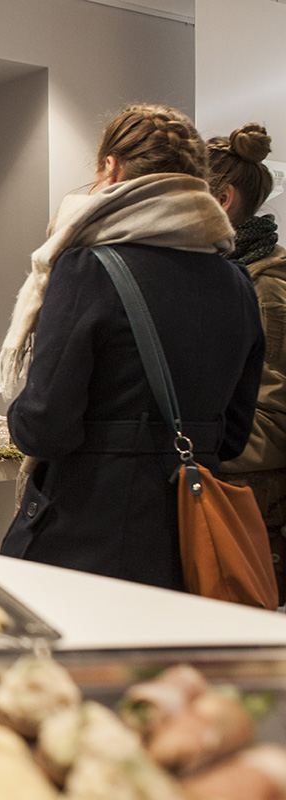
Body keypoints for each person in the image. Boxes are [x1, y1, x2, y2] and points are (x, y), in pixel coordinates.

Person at [0, 103, 265, 590]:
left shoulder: (86, 267)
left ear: (113, 168)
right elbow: (233, 435)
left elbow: (44, 428)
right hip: (190, 549)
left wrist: (17, 417)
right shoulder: (237, 281)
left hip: (86, 541)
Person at [207, 123, 286, 605]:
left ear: (223, 198)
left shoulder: (265, 287)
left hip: (249, 504)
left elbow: (272, 422)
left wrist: (190, 451)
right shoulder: (232, 274)